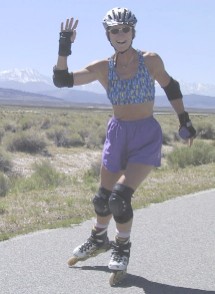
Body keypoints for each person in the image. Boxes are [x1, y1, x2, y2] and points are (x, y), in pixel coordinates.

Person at [53, 7, 196, 273]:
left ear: (133, 31)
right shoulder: (102, 68)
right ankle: (98, 238)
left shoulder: (150, 61)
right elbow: (62, 80)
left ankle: (122, 245)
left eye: (125, 29)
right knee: (102, 199)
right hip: (117, 133)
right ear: (108, 35)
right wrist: (64, 46)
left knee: (119, 198)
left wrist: (184, 120)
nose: (120, 34)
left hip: (145, 135)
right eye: (114, 30)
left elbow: (170, 86)